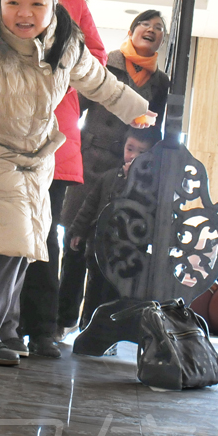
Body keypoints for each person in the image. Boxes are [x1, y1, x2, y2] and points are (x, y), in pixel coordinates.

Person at [0, 0, 155, 365]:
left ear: (53, 4)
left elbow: (100, 81)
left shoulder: (66, 43)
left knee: (24, 246)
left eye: (37, 3)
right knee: (1, 242)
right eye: (13, 2)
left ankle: (5, 329)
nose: (24, 13)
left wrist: (137, 110)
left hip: (39, 159)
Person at [0, 0, 108, 358]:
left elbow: (96, 58)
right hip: (0, 132)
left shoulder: (71, 1)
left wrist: (55, 86)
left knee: (41, 232)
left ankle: (42, 329)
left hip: (52, 134)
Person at [58, 9, 170, 333]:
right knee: (75, 241)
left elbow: (154, 129)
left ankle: (96, 325)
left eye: (158, 28)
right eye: (145, 24)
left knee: (110, 249)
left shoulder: (160, 82)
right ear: (132, 31)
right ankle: (63, 319)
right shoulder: (106, 62)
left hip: (126, 170)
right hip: (89, 160)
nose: (151, 30)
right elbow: (75, 106)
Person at [64, 128, 159, 324]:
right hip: (99, 247)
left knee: (117, 295)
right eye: (130, 149)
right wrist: (78, 231)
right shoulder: (108, 177)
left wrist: (132, 181)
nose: (133, 156)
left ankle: (111, 330)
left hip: (128, 254)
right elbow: (89, 206)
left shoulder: (150, 185)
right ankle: (87, 327)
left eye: (141, 152)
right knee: (94, 289)